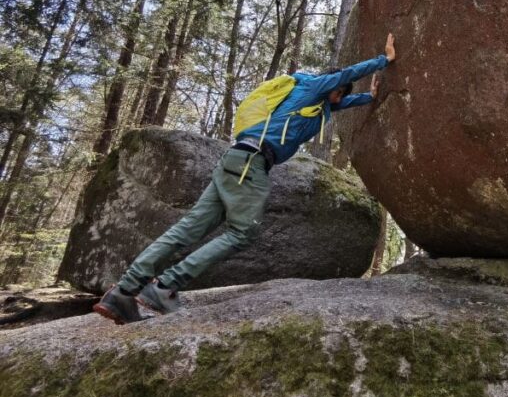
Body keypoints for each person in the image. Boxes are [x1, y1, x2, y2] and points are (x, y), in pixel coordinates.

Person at [93, 34, 396, 324]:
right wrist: (385, 59)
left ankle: (122, 293)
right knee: (243, 231)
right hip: (251, 163)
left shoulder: (315, 103)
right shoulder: (313, 86)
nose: (338, 95)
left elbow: (339, 104)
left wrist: (367, 97)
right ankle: (164, 286)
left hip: (235, 159)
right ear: (333, 84)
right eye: (339, 90)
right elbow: (347, 74)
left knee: (186, 230)